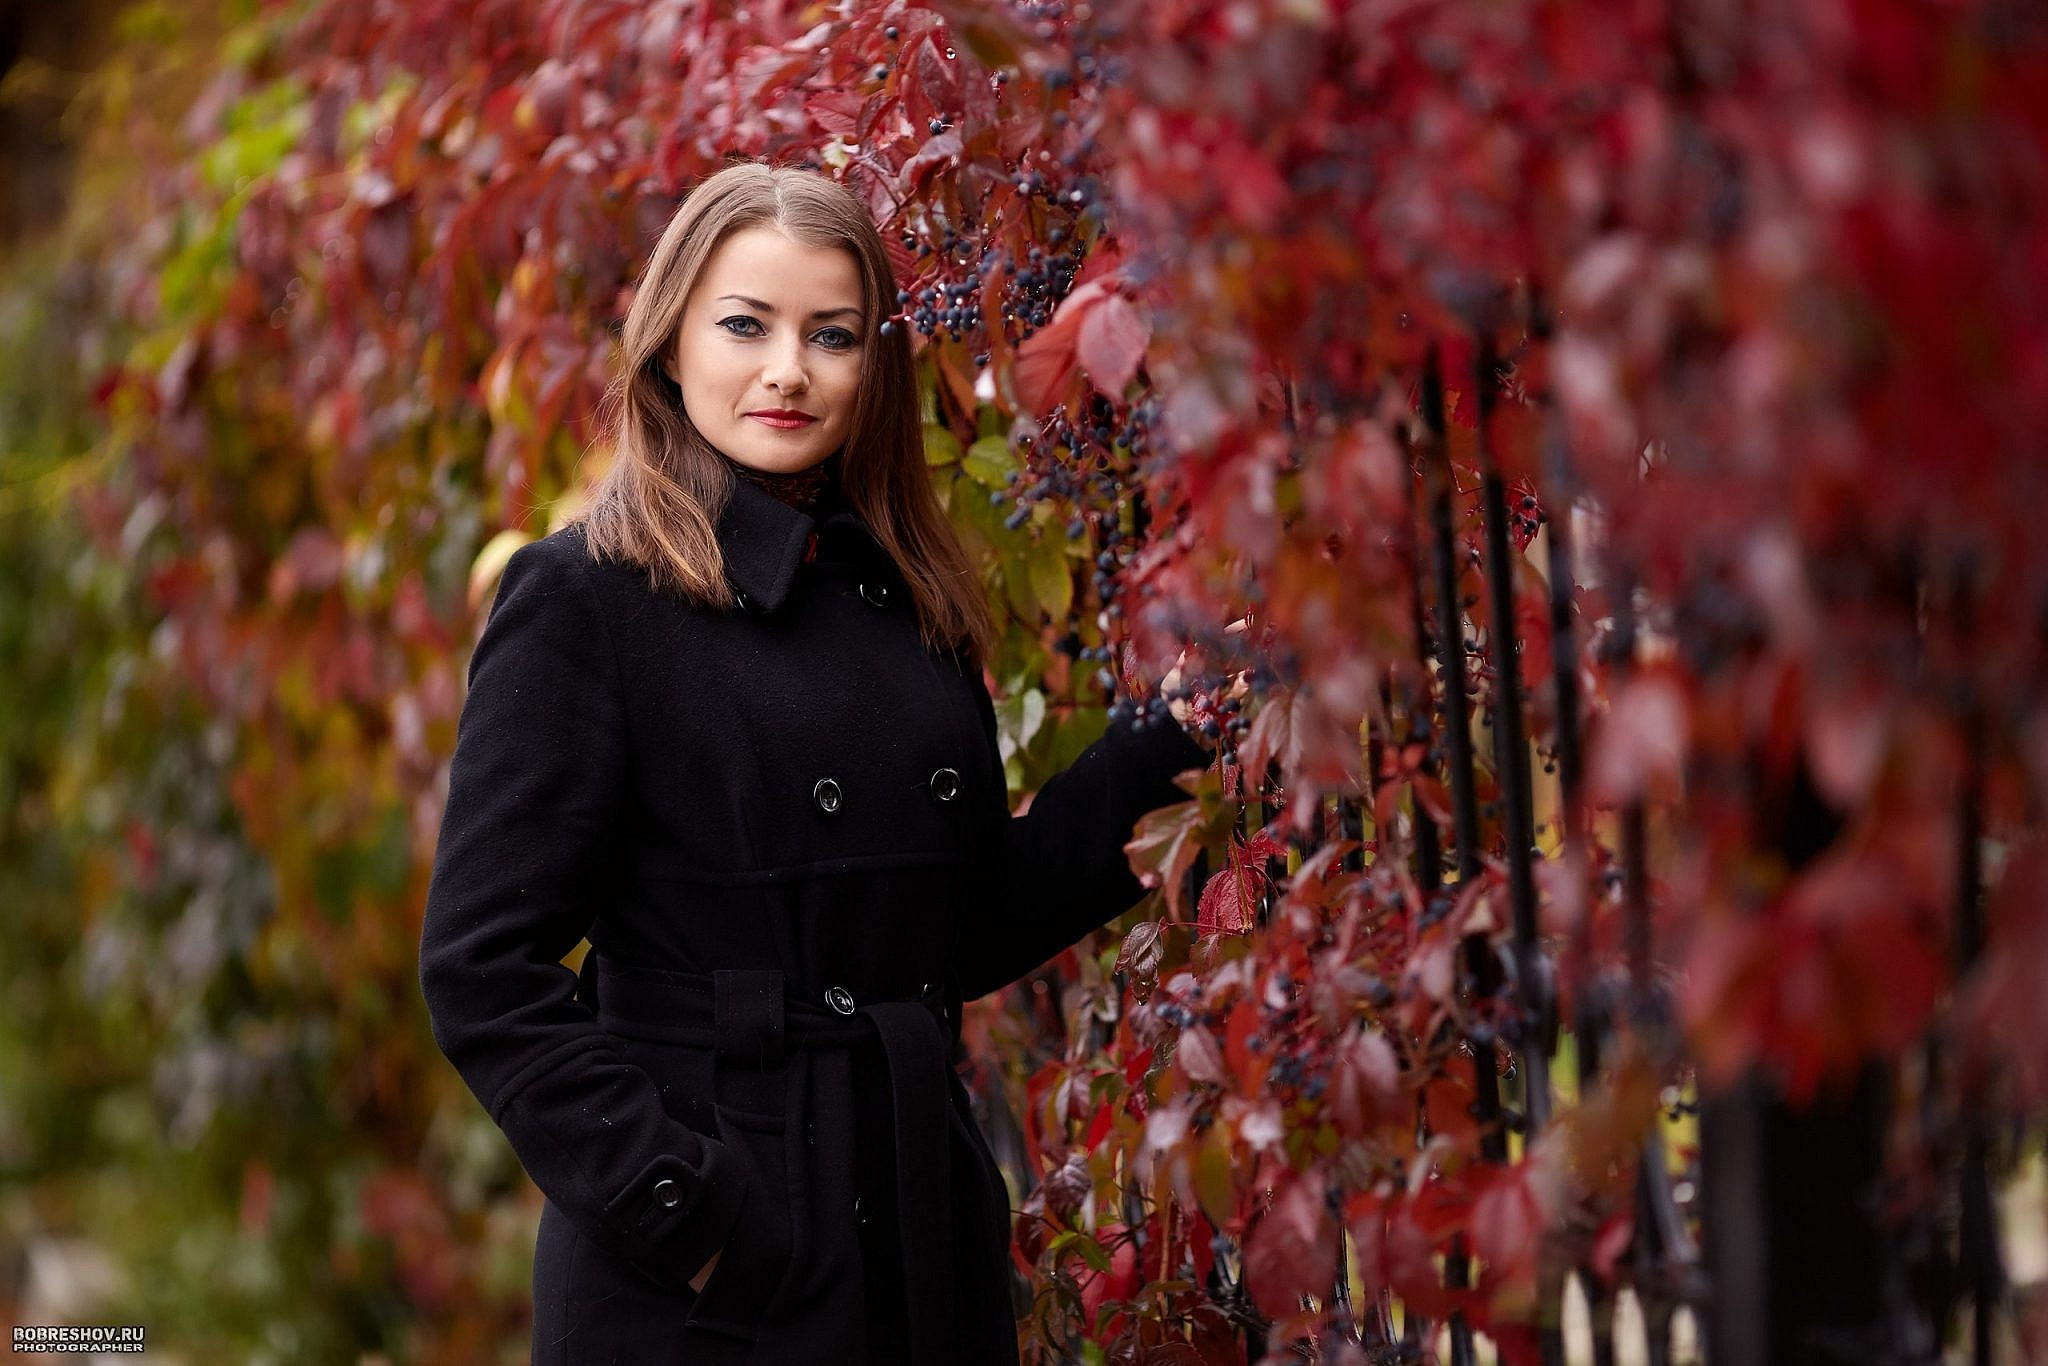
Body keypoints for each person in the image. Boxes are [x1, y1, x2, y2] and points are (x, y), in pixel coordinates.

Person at [417, 161, 1219, 1366]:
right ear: (669, 343)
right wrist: (682, 1211)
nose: (787, 369)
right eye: (745, 324)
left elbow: (963, 917)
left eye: (831, 335)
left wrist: (1181, 730)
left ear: (872, 366)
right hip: (700, 1283)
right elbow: (482, 967)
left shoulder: (905, 594)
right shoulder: (584, 598)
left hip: (911, 1233)